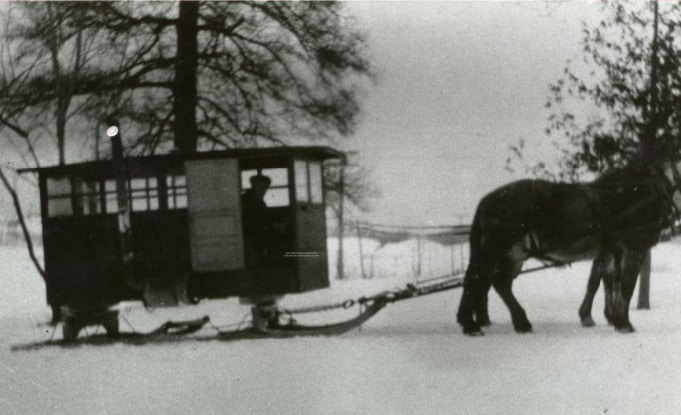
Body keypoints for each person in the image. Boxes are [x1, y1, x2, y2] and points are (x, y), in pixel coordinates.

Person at [241, 174, 272, 267]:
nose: (262, 190)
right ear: (253, 187)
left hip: (258, 238)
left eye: (264, 188)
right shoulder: (247, 200)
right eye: (259, 187)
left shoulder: (259, 202)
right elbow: (247, 226)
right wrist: (251, 250)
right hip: (250, 240)